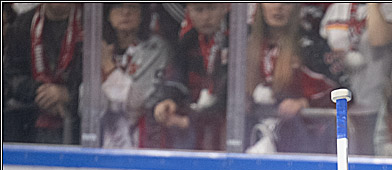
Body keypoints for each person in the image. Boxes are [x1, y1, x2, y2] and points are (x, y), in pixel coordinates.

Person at [320, 2, 392, 156]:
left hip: (376, 104)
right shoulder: (336, 8)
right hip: (339, 103)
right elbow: (322, 53)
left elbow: (378, 38)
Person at [245, 3, 335, 154]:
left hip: (298, 145)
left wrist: (304, 102)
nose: (278, 6)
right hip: (251, 138)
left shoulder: (311, 45)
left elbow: (343, 92)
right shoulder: (244, 45)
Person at [150, 3, 230, 151]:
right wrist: (169, 100)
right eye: (199, 10)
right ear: (189, 12)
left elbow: (230, 96)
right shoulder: (188, 40)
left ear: (225, 8)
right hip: (195, 125)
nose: (206, 17)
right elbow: (177, 77)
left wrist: (189, 121)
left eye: (212, 8)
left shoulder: (233, 41)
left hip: (224, 130)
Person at [2, 2, 83, 145]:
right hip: (29, 124)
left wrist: (69, 94)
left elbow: (99, 78)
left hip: (79, 126)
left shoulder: (90, 23)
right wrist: (39, 92)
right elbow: (10, 74)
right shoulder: (23, 24)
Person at [98, 3, 170, 148]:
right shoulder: (98, 47)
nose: (125, 12)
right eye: (118, 6)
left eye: (132, 6)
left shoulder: (157, 48)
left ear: (143, 13)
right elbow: (86, 104)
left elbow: (138, 103)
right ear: (108, 14)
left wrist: (108, 67)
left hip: (144, 143)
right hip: (101, 143)